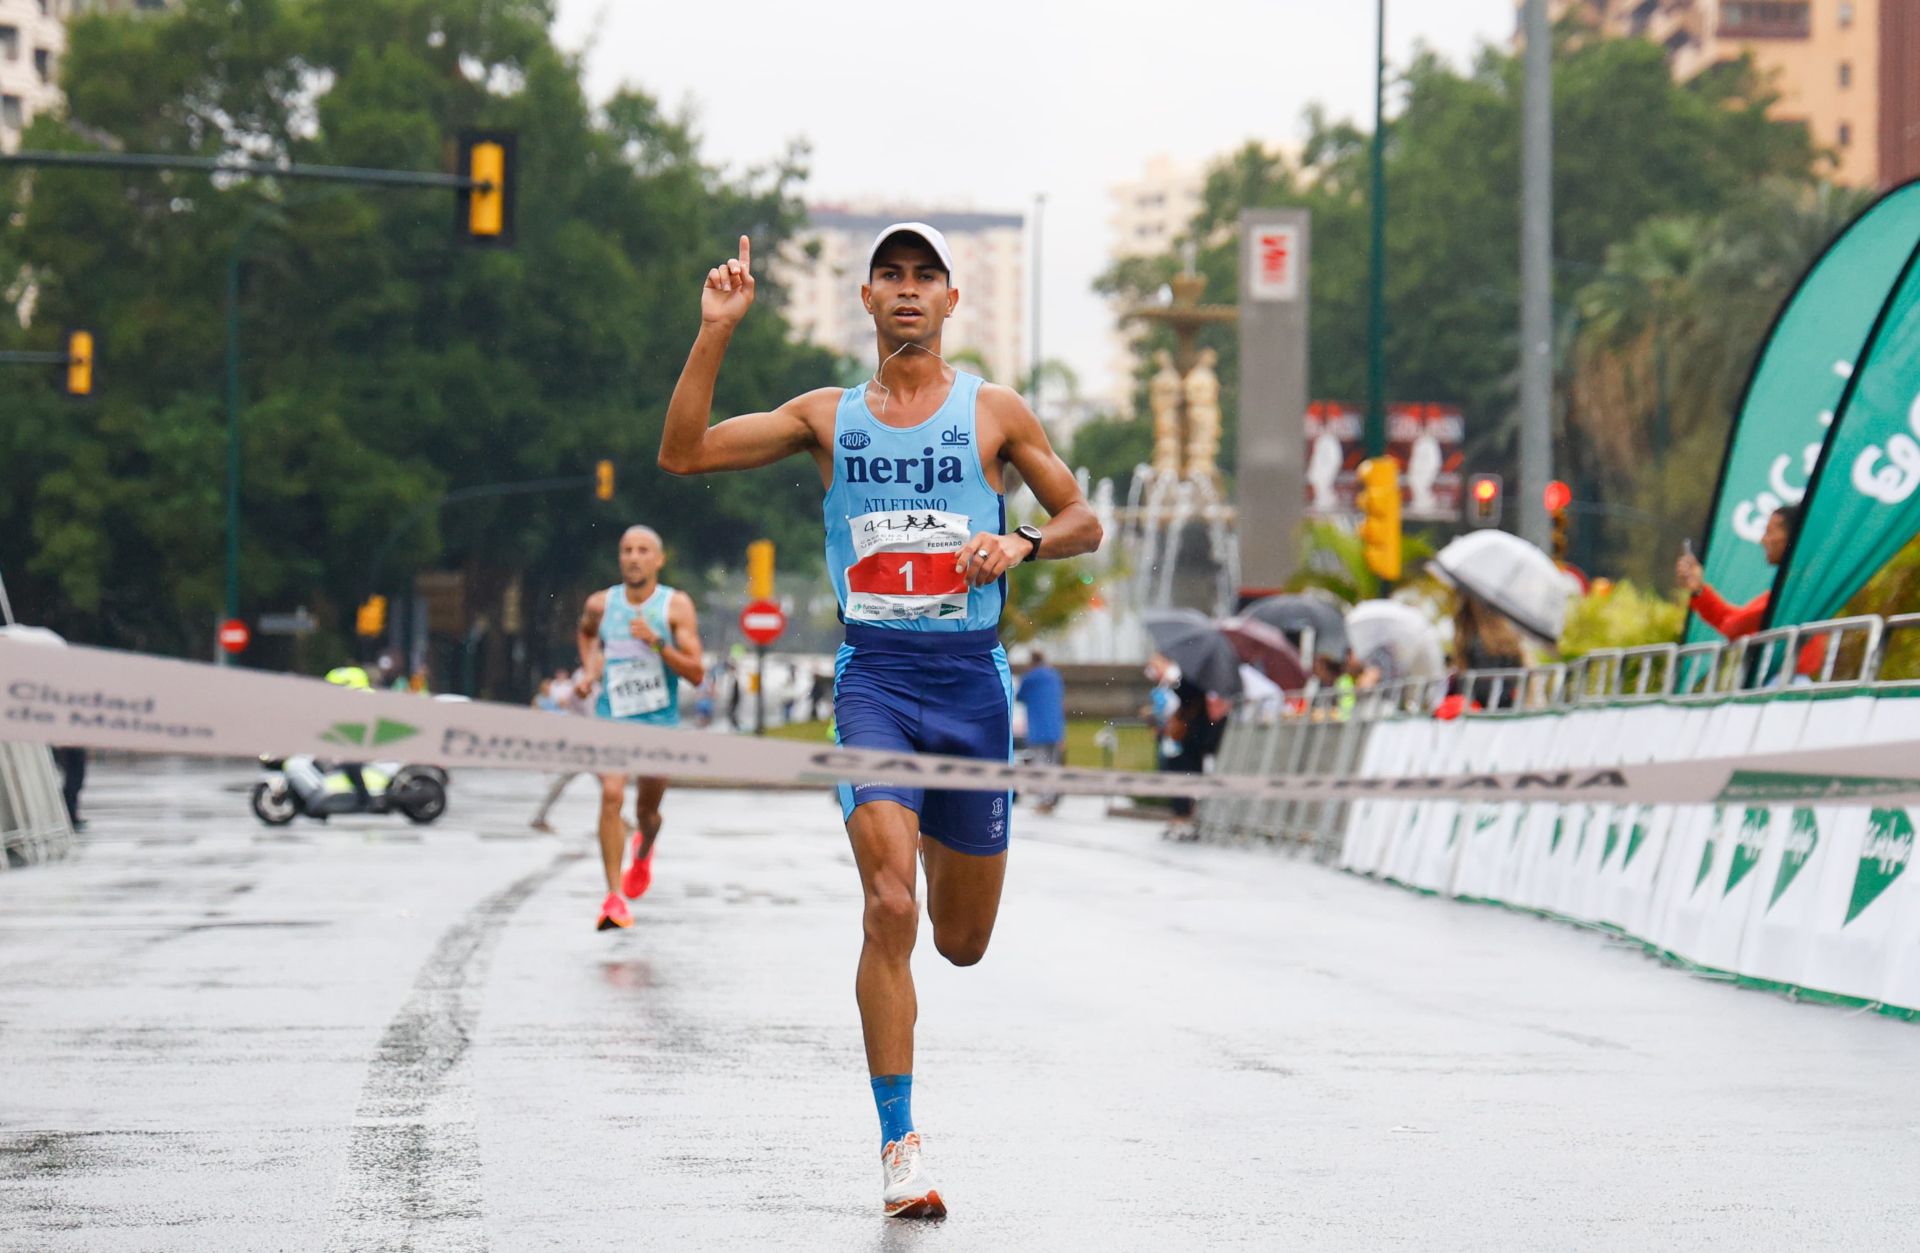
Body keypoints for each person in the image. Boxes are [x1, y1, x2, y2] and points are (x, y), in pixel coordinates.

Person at [657, 225, 1102, 1218]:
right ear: (866, 299)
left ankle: (950, 874)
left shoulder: (994, 413)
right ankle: (899, 1145)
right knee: (889, 903)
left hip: (972, 688)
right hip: (877, 681)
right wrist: (715, 330)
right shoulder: (829, 417)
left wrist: (1019, 540)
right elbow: (681, 453)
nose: (908, 291)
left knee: (961, 938)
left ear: (951, 302)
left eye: (925, 277)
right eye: (891, 276)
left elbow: (1083, 520)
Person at [576, 526, 705, 931]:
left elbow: (697, 673)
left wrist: (657, 644)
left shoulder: (675, 606)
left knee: (647, 811)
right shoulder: (601, 604)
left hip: (658, 723)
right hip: (612, 717)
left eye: (642, 550)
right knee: (612, 794)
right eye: (626, 550)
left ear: (658, 560)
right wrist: (589, 670)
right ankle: (614, 897)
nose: (633, 557)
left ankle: (644, 848)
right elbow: (586, 632)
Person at [1675, 504, 1825, 679]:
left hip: (1783, 684)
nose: (1763, 540)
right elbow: (1733, 622)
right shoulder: (1799, 587)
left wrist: (1700, 592)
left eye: (1770, 532)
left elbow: (1732, 625)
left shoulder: (1794, 593)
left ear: (1793, 538)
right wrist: (1699, 590)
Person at [530, 667, 592, 834]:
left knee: (610, 782)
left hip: (596, 740)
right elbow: (565, 702)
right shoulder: (582, 677)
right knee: (565, 777)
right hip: (584, 742)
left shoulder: (605, 675)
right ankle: (539, 816)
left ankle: (540, 816)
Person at [1448, 594, 1526, 711]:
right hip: (1504, 711)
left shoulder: (1472, 642)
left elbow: (1480, 690)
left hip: (1483, 712)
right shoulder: (1508, 639)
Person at [1015, 650, 1066, 814]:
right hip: (1055, 728)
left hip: (1038, 728)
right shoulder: (1054, 676)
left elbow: (1020, 696)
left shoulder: (1029, 678)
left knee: (1040, 764)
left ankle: (1044, 799)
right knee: (1053, 764)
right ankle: (1051, 797)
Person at [323, 662, 376, 811]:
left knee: (350, 764)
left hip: (369, 748)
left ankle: (365, 799)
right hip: (360, 746)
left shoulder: (364, 701)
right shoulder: (350, 703)